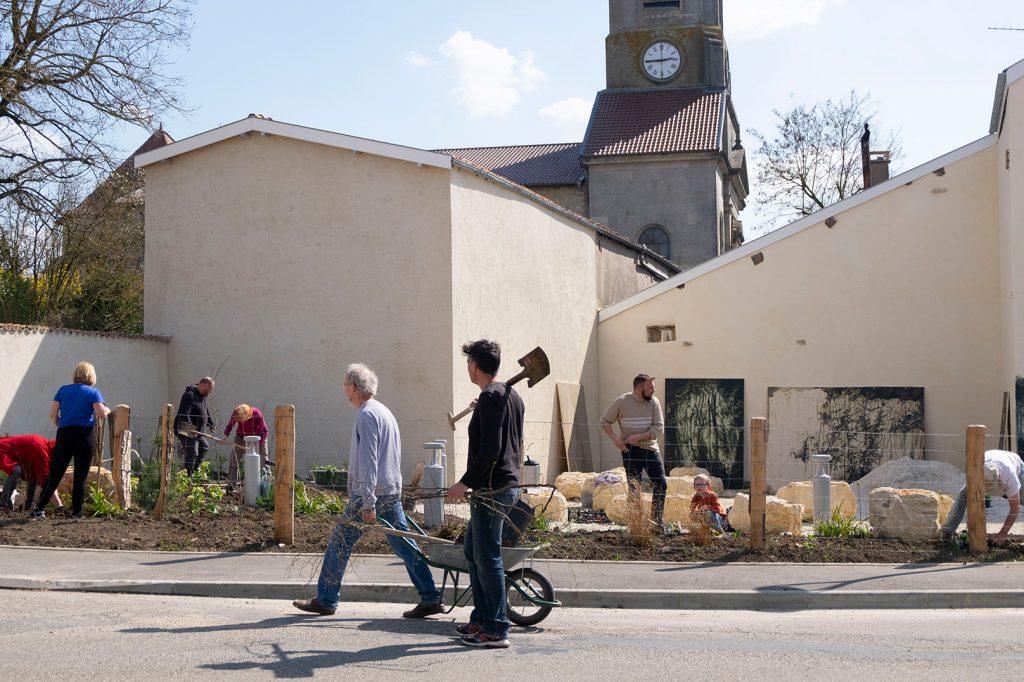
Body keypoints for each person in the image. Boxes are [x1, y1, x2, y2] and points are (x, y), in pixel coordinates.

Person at [293, 363, 442, 619]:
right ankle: (430, 597)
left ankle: (327, 599)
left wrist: (368, 503)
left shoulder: (366, 415)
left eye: (344, 385)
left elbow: (369, 461)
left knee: (340, 542)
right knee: (404, 544)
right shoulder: (383, 411)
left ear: (353, 387)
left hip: (371, 493)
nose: (344, 389)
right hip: (389, 489)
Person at [447, 339, 524, 649]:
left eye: (468, 363)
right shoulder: (507, 396)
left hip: (493, 489)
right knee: (472, 551)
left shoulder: (494, 396)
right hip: (502, 486)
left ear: (474, 365)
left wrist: (464, 482)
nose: (467, 367)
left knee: (487, 556)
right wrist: (483, 411)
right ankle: (481, 617)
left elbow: (492, 449)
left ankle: (496, 627)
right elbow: (504, 436)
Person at [32, 362, 110, 519]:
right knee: (80, 475)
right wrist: (107, 409)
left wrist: (61, 424)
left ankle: (39, 508)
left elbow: (52, 414)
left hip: (64, 435)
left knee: (55, 473)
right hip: (85, 436)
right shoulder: (93, 393)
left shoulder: (62, 390)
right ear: (91, 376)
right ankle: (76, 512)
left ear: (76, 374)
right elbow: (101, 413)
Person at [599, 373, 667, 528]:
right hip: (630, 451)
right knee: (634, 488)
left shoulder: (654, 403)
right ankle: (635, 525)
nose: (653, 391)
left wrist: (637, 437)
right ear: (639, 388)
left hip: (651, 449)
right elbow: (604, 422)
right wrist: (617, 441)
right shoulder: (622, 402)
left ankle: (656, 523)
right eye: (650, 388)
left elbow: (659, 428)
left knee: (661, 484)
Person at [941, 449, 1024, 546]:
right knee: (963, 494)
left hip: (1017, 466)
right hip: (995, 460)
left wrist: (1003, 533)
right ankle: (947, 532)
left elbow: (1015, 509)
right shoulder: (976, 469)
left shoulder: (1010, 476)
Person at [0, 435, 63, 511]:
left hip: (7, 449)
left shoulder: (44, 445)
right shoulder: (42, 452)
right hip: (2, 450)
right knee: (16, 470)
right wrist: (59, 506)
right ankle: (4, 504)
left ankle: (28, 507)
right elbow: (47, 483)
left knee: (34, 476)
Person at [223, 404, 270, 488]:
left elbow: (262, 432)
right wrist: (225, 437)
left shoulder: (257, 415)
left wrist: (256, 446)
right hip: (241, 437)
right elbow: (230, 425)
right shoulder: (236, 413)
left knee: (263, 461)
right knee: (234, 460)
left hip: (258, 437)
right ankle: (231, 486)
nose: (241, 422)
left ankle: (267, 485)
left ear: (248, 415)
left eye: (242, 420)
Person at [175, 377, 215, 475]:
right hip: (184, 427)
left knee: (204, 446)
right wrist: (191, 429)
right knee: (192, 451)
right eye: (210, 389)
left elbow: (206, 411)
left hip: (197, 431)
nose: (210, 392)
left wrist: (210, 423)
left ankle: (194, 470)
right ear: (206, 385)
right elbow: (185, 413)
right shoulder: (190, 395)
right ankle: (188, 477)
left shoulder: (203, 396)